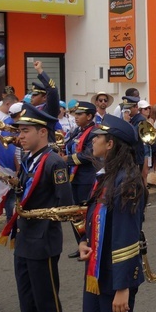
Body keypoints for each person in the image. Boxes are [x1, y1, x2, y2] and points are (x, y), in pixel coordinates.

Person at [0, 102, 74, 312]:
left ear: (42, 132)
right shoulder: (30, 158)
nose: (20, 136)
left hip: (42, 242)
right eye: (19, 130)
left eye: (25, 130)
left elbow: (66, 204)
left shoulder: (54, 161)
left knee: (46, 306)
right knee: (27, 304)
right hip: (23, 240)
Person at [78, 114, 146, 312]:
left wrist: (123, 287)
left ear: (110, 144)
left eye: (98, 136)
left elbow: (126, 235)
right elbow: (92, 216)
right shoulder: (106, 175)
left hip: (115, 278)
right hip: (96, 272)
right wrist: (82, 241)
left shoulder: (128, 182)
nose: (93, 140)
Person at [63, 101, 99, 259]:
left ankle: (90, 245)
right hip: (74, 177)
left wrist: (66, 159)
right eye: (75, 113)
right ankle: (81, 244)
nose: (75, 117)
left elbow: (88, 155)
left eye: (79, 114)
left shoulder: (94, 132)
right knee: (75, 214)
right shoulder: (77, 130)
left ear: (90, 116)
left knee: (86, 214)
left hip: (86, 178)